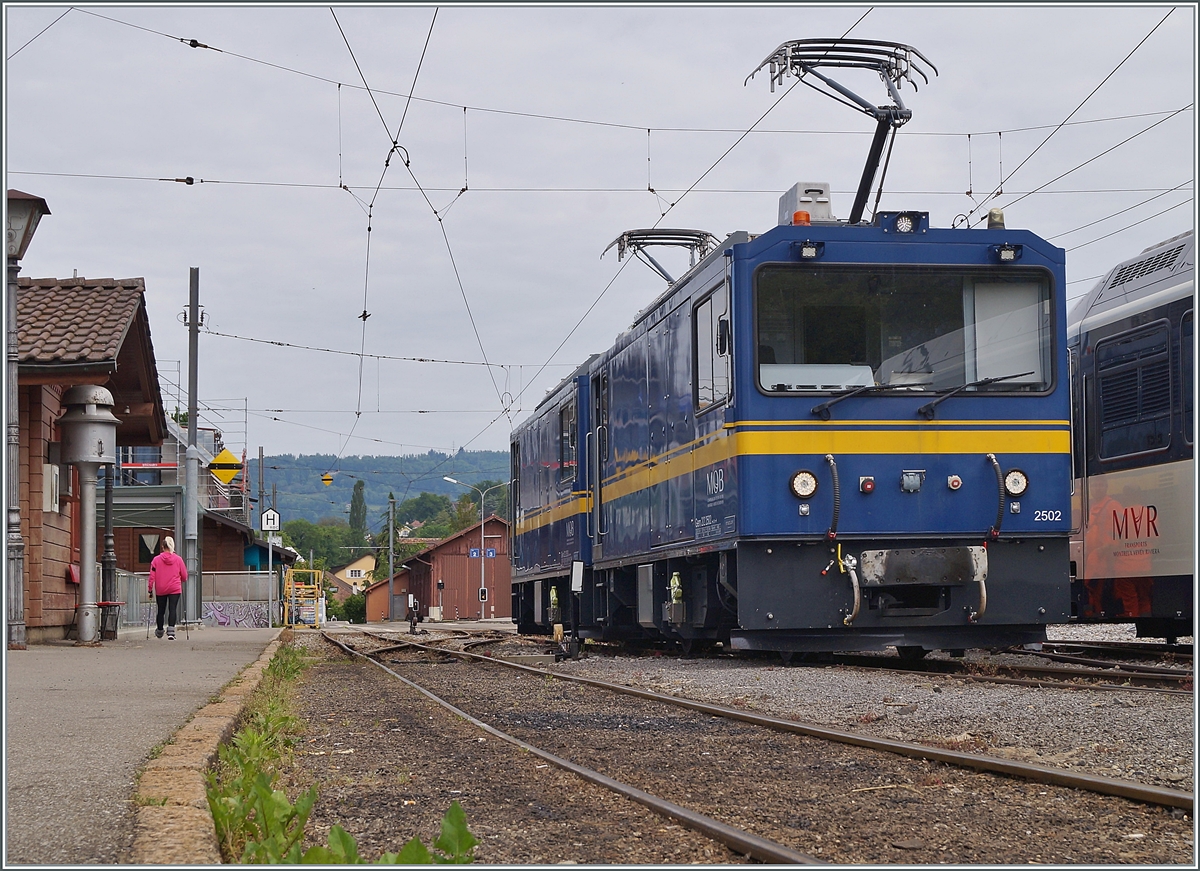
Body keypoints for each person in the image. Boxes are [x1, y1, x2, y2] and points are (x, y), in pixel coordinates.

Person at [148, 536, 187, 639]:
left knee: (161, 610)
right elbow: (184, 575)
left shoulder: (156, 560)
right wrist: (181, 580)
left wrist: (150, 588)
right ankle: (171, 632)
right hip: (175, 588)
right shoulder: (178, 559)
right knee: (172, 608)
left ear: (162, 547)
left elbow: (152, 575)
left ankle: (160, 631)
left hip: (161, 588)